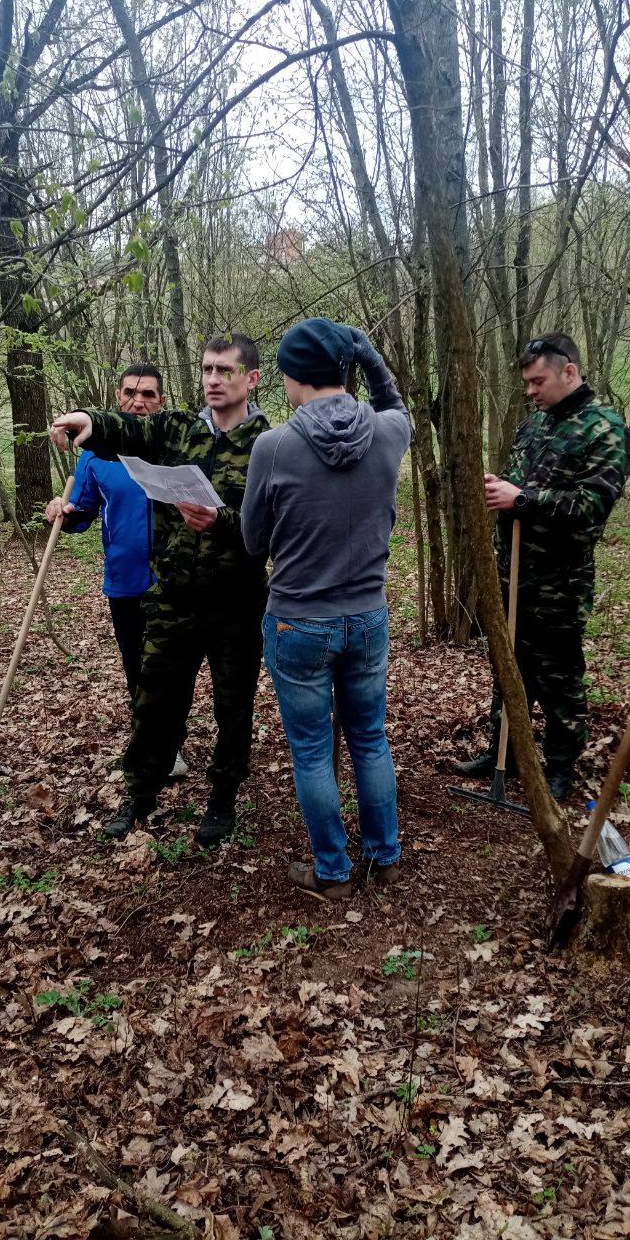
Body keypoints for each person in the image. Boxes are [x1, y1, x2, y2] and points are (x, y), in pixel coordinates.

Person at [50, 334, 268, 848]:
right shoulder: (177, 430)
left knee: (232, 706)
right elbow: (127, 428)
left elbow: (275, 528)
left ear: (251, 379)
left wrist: (221, 522)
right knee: (156, 700)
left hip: (235, 601)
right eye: (207, 369)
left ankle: (222, 800)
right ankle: (140, 793)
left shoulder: (269, 446)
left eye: (225, 371)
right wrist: (88, 421)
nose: (213, 380)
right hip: (172, 597)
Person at [242, 318, 411, 901]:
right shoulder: (390, 433)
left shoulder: (275, 445)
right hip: (367, 614)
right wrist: (368, 357)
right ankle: (384, 859)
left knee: (313, 749)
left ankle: (333, 872)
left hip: (298, 621)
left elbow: (252, 542)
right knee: (370, 738)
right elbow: (394, 401)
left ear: (291, 376)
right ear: (345, 370)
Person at [453, 332, 630, 801]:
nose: (530, 391)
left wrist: (524, 498)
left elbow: (594, 504)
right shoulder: (535, 426)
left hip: (560, 581)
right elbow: (516, 485)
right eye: (527, 383)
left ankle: (559, 765)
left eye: (538, 381)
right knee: (509, 669)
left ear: (568, 371)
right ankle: (506, 753)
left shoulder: (603, 427)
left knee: (558, 675)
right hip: (513, 575)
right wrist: (502, 489)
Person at [45, 363, 188, 780]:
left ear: (161, 402)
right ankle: (156, 747)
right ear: (117, 397)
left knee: (172, 669)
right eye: (130, 393)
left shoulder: (173, 448)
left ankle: (170, 741)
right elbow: (84, 511)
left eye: (148, 395)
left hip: (174, 581)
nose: (138, 402)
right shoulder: (95, 456)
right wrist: (64, 512)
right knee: (137, 668)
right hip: (124, 581)